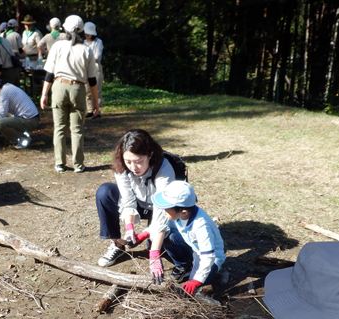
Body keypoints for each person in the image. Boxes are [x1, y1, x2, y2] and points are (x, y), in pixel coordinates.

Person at [95, 130, 183, 281]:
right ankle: (118, 244)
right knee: (105, 192)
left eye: (139, 161)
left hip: (163, 208)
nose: (133, 167)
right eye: (128, 161)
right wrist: (130, 228)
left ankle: (184, 264)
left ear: (149, 154)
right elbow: (127, 200)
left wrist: (154, 252)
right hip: (140, 204)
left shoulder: (164, 168)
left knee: (161, 243)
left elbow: (162, 210)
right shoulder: (122, 165)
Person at [40, 15, 98, 173]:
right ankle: (78, 164)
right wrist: (95, 103)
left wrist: (44, 94)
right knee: (77, 129)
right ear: (81, 30)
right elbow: (92, 80)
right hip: (78, 88)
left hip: (59, 86)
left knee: (59, 128)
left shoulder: (58, 46)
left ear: (64, 28)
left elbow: (49, 74)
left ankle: (60, 163)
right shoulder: (86, 50)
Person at [151, 181, 226, 294]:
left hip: (212, 257)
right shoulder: (179, 215)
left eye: (167, 208)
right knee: (167, 237)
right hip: (197, 252)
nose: (164, 210)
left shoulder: (201, 226)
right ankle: (186, 267)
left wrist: (196, 280)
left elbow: (208, 256)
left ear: (183, 212)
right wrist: (145, 235)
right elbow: (161, 225)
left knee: (197, 286)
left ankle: (217, 272)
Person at [0, 77, 39, 149]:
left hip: (30, 121)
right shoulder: (7, 87)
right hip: (33, 118)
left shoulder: (3, 93)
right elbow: (3, 104)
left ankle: (22, 139)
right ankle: (22, 135)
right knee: (1, 120)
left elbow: (2, 114)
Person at [83, 21, 103, 117]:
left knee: (97, 89)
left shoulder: (98, 42)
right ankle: (90, 109)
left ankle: (97, 109)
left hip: (95, 67)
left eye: (89, 34)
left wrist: (87, 57)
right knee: (87, 90)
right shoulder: (83, 43)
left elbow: (97, 56)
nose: (87, 35)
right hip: (85, 67)